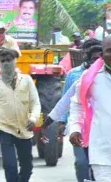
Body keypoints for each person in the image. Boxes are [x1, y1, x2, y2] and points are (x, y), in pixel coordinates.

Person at [41, 40, 102, 182]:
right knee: (82, 163)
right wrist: (53, 122)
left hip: (103, 133)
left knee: (98, 169)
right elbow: (66, 101)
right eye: (94, 59)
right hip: (83, 130)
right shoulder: (79, 77)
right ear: (85, 57)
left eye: (100, 59)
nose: (97, 63)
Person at [0, 49, 41, 182]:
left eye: (9, 60)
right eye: (3, 61)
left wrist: (34, 118)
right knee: (9, 165)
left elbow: (36, 103)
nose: (6, 63)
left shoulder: (27, 80)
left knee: (27, 166)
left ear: (15, 60)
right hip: (5, 128)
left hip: (24, 129)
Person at [68, 36, 111, 182]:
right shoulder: (90, 78)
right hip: (102, 151)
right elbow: (77, 104)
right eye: (109, 51)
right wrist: (75, 128)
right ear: (102, 54)